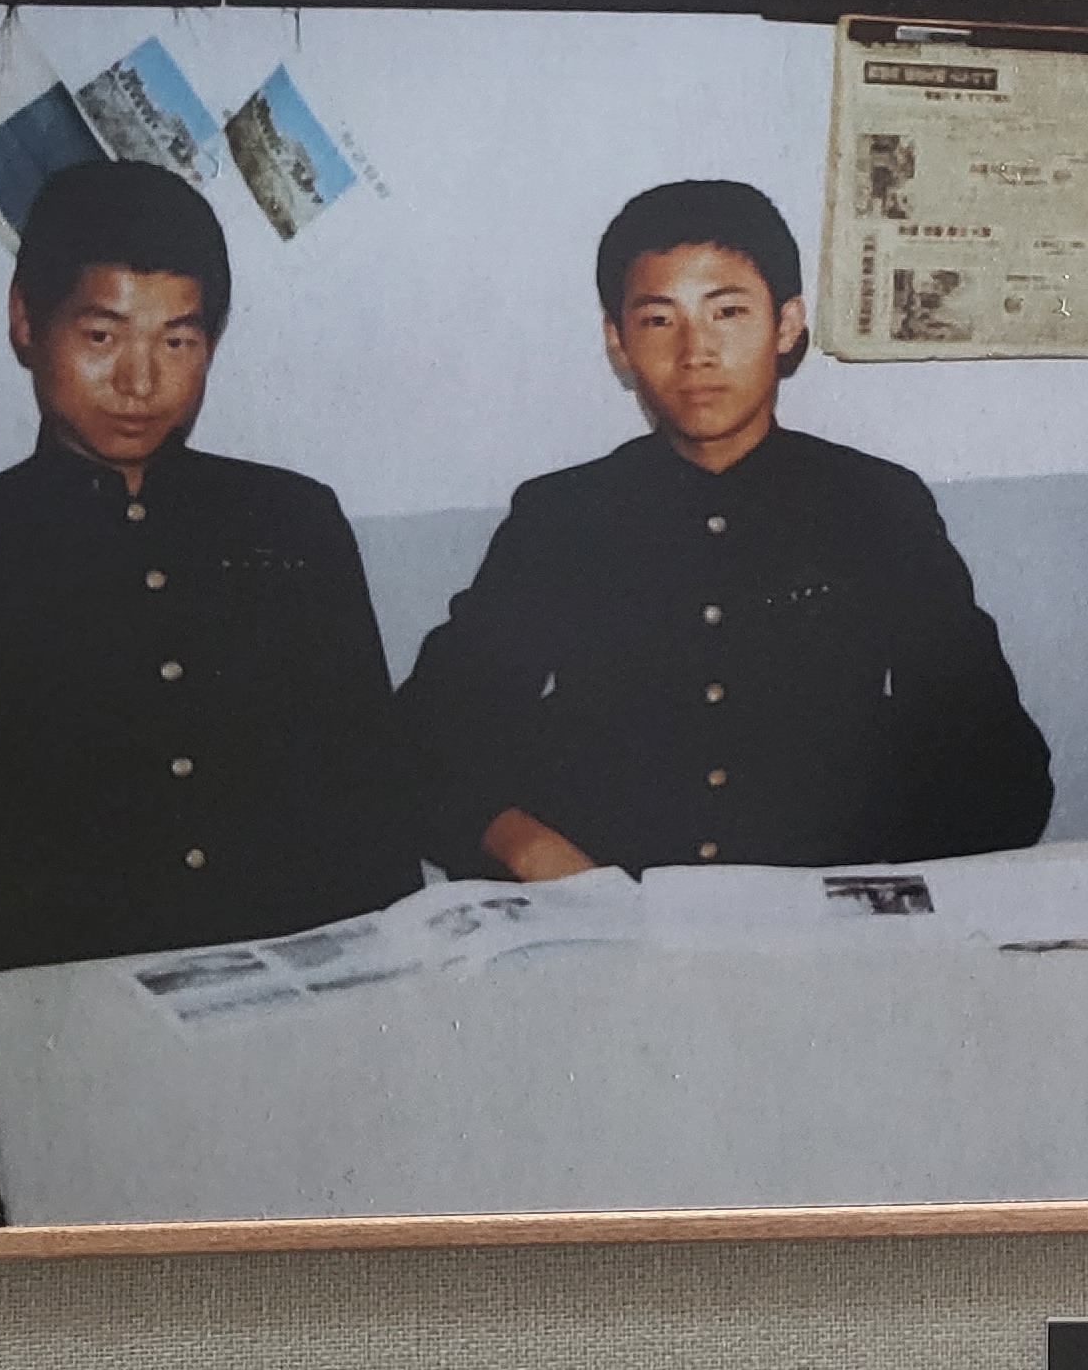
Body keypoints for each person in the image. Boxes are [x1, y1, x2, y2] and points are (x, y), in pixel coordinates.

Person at [0, 159, 420, 1207]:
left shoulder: (294, 522)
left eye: (179, 340)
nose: (140, 381)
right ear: (25, 323)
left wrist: (369, 1002)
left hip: (306, 1012)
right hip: (79, 1023)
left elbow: (369, 795)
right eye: (102, 335)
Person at [402, 179, 1052, 882]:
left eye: (728, 312)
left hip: (817, 919)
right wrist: (529, 849)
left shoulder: (876, 507)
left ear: (787, 325)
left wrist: (865, 884)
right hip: (612, 914)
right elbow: (424, 736)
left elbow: (1000, 764)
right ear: (618, 343)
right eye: (659, 320)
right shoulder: (561, 518)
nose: (695, 353)